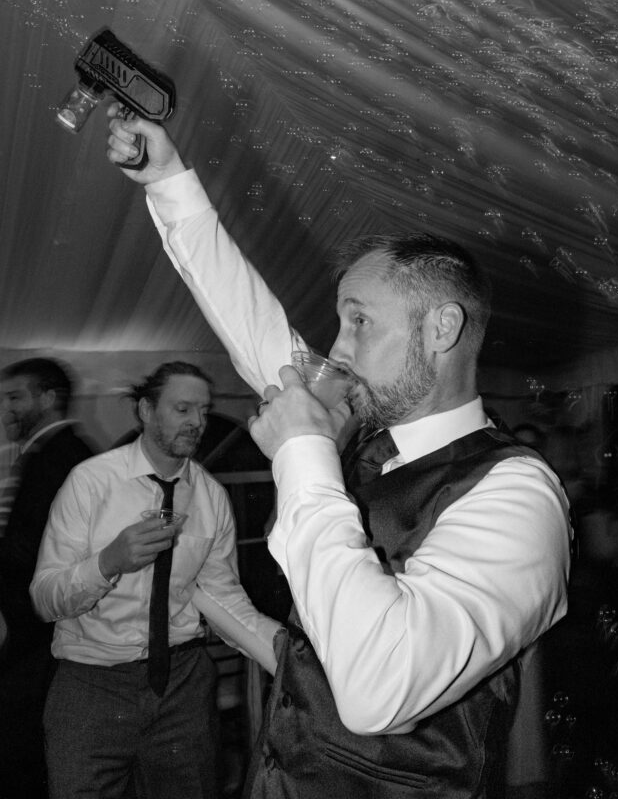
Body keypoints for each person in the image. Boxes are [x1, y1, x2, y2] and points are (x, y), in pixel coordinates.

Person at [106, 114, 573, 799]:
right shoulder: (355, 430)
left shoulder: (518, 494)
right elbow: (252, 322)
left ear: (441, 328)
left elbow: (378, 690)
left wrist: (302, 455)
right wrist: (169, 181)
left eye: (359, 320)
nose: (339, 347)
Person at [30, 361, 281, 799]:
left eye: (203, 411)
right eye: (182, 408)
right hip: (92, 685)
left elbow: (222, 599)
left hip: (183, 685)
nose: (197, 423)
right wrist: (108, 562)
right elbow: (44, 599)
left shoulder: (210, 496)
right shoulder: (90, 483)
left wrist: (287, 659)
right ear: (146, 410)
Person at [0, 357, 94, 799]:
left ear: (49, 398)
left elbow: (37, 550)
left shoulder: (65, 458)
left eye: (15, 397)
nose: (6, 410)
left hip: (47, 634)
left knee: (26, 743)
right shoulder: (49, 454)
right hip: (34, 632)